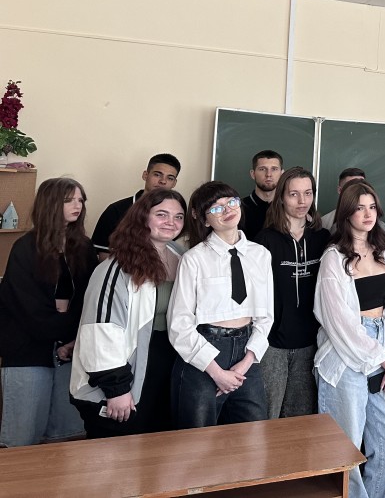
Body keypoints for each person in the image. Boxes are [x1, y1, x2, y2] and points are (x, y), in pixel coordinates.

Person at [315, 180, 385, 498]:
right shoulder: (333, 257)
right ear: (347, 213)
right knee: (345, 450)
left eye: (372, 207)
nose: (368, 214)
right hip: (346, 355)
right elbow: (337, 321)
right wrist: (380, 356)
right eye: (359, 208)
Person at [70, 189, 188, 437]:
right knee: (117, 451)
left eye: (178, 216)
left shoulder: (182, 258)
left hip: (163, 369)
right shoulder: (117, 268)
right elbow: (100, 333)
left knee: (157, 449)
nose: (171, 222)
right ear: (142, 216)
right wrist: (117, 390)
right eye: (162, 214)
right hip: (123, 376)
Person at [0, 178, 98, 447]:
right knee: (22, 436)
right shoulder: (25, 247)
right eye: (69, 200)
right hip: (28, 350)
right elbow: (26, 308)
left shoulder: (84, 247)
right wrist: (66, 332)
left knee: (65, 435)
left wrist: (73, 340)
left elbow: (90, 299)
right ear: (51, 203)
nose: (78, 205)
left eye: (80, 200)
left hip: (72, 351)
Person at [168, 181, 273, 428]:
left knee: (253, 433)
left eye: (231, 202)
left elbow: (266, 315)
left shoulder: (260, 254)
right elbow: (179, 323)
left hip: (247, 351)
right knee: (199, 439)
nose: (227, 210)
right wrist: (216, 372)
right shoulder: (194, 259)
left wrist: (246, 362)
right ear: (204, 220)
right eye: (216, 208)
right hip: (204, 352)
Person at [254, 167, 327, 419]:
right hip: (272, 344)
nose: (302, 201)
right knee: (266, 417)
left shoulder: (323, 238)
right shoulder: (264, 240)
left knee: (300, 421)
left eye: (308, 193)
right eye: (294, 194)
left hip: (310, 343)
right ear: (282, 197)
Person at [92, 153, 181, 256]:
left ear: (174, 183)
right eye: (157, 175)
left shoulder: (176, 217)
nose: (163, 181)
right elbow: (104, 254)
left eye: (170, 178)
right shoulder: (116, 210)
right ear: (145, 175)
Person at [241, 149, 283, 241]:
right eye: (262, 169)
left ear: (282, 174)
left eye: (274, 169)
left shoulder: (289, 208)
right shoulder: (238, 209)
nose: (268, 174)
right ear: (253, 174)